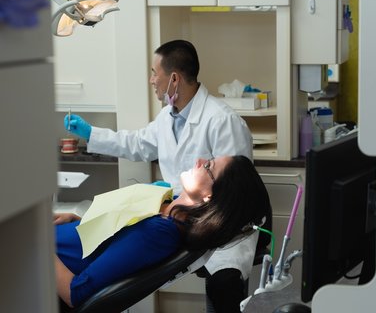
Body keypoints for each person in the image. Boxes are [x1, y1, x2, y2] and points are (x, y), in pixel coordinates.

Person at [64, 40, 261, 312]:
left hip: (211, 233)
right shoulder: (169, 115)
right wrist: (91, 134)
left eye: (154, 72)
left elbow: (233, 193)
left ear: (174, 78)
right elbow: (138, 143)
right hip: (176, 216)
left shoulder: (222, 121)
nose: (151, 80)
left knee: (222, 290)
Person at [55, 155, 271, 308]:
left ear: (210, 197)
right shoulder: (166, 204)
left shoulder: (159, 233)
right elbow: (117, 238)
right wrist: (83, 223)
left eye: (209, 166)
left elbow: (75, 293)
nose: (200, 160)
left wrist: (36, 240)